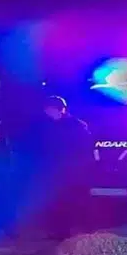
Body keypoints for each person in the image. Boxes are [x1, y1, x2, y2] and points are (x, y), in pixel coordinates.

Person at [37, 96, 92, 240]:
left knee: (66, 201)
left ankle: (64, 231)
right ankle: (55, 229)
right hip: (52, 171)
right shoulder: (48, 125)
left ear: (60, 110)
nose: (47, 112)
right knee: (52, 201)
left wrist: (78, 168)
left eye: (49, 109)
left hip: (69, 171)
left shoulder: (77, 126)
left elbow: (84, 150)